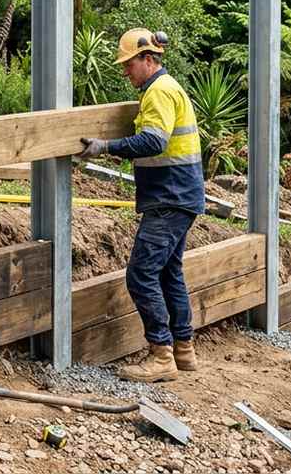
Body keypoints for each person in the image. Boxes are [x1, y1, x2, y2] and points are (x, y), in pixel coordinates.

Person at [78, 28, 205, 381]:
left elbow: (153, 141)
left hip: (169, 197)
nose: (125, 71)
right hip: (180, 195)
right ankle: (183, 350)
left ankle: (161, 355)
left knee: (141, 274)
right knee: (168, 272)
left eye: (129, 64)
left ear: (148, 60)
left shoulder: (159, 92)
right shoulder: (168, 88)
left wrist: (106, 147)